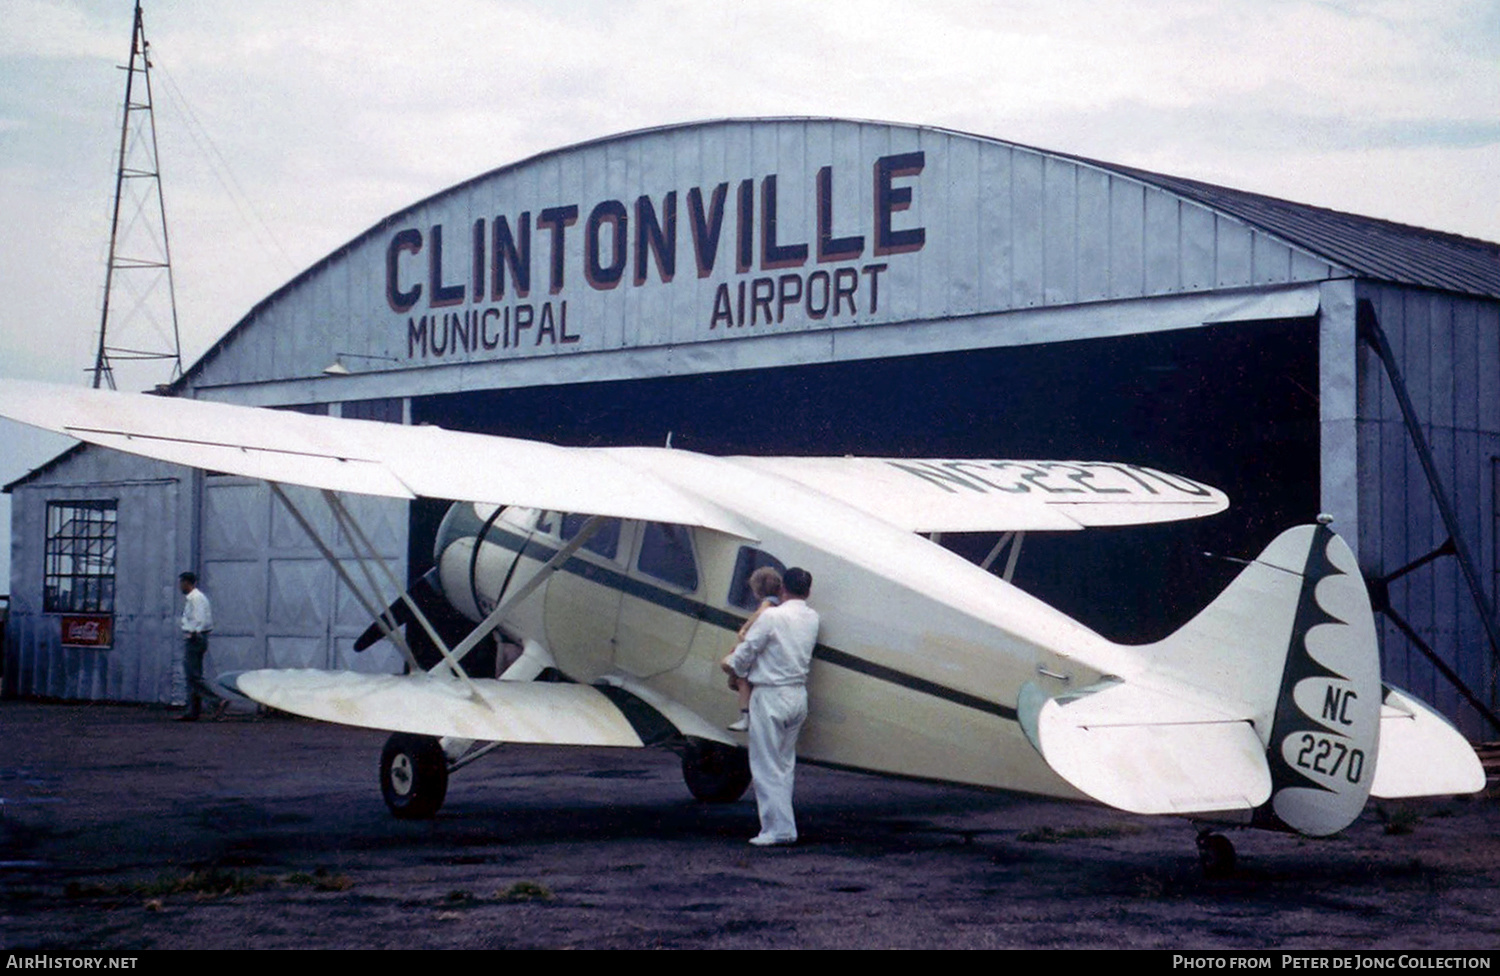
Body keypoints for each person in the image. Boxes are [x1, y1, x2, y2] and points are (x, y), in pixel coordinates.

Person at [721, 566, 818, 847]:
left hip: (770, 695)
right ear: (808, 591)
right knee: (784, 765)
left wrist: (731, 666)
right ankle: (783, 827)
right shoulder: (812, 617)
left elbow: (748, 650)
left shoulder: (772, 617)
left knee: (765, 766)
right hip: (797, 696)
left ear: (782, 589)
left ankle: (776, 830)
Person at [727, 566, 784, 732]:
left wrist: (745, 628)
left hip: (761, 652)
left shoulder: (769, 603)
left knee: (741, 678)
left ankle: (745, 717)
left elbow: (761, 612)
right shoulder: (780, 603)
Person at [175, 571, 226, 721]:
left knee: (192, 675)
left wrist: (193, 632)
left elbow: (199, 618)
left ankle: (217, 701)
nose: (180, 586)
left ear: (187, 583)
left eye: (181, 583)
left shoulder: (195, 599)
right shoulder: (197, 598)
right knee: (194, 674)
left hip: (195, 638)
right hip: (199, 637)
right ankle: (192, 711)